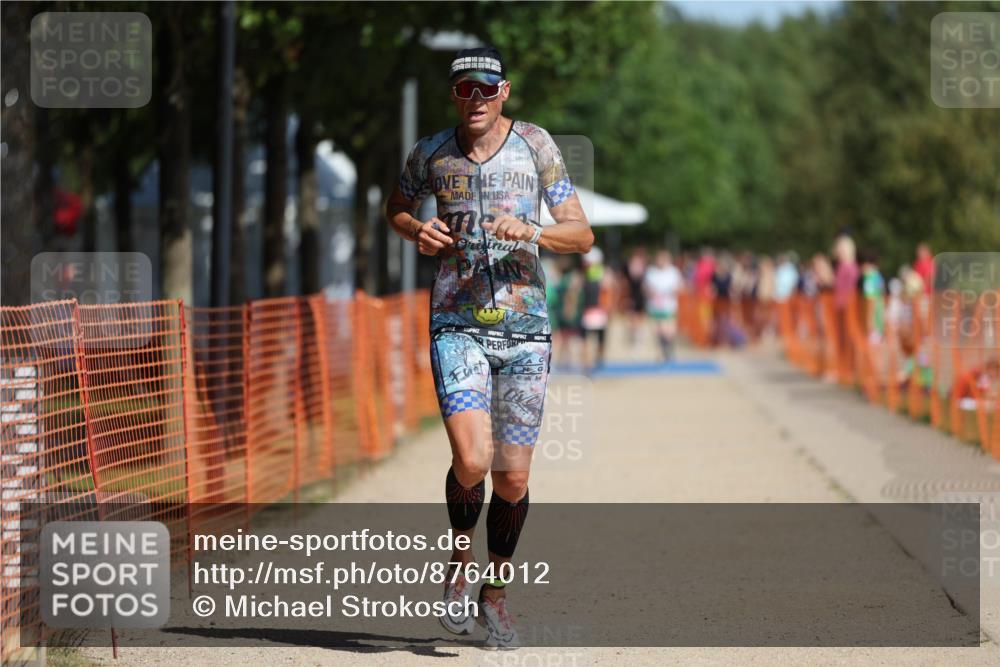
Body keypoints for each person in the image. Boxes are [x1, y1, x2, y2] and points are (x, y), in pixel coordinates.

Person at [385, 46, 593, 649]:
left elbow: (581, 234)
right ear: (454, 96)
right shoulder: (430, 152)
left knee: (512, 479)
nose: (473, 100)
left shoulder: (537, 144)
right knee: (472, 460)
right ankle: (458, 568)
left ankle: (495, 596)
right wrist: (415, 228)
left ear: (505, 90)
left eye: (484, 88)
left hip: (527, 329)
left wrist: (534, 230)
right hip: (456, 322)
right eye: (462, 90)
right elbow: (396, 208)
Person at [643, 249, 684, 361]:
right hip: (654, 305)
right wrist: (651, 293)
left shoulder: (673, 272)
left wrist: (672, 291)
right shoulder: (651, 272)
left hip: (668, 306)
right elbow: (645, 287)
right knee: (657, 331)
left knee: (668, 331)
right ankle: (661, 352)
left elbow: (680, 286)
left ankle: (669, 348)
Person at [580, 246, 614, 372]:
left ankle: (593, 362)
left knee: (593, 339)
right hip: (591, 310)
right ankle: (592, 363)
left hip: (596, 310)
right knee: (591, 340)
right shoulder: (598, 273)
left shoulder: (600, 273)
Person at [623, 247, 649, 350]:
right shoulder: (629, 270)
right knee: (632, 317)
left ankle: (637, 335)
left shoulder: (645, 270)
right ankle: (634, 335)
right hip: (632, 296)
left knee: (639, 317)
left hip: (639, 297)